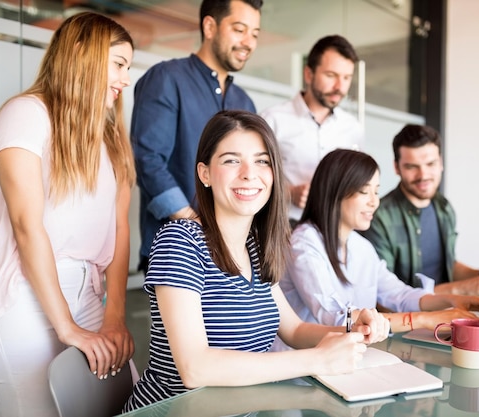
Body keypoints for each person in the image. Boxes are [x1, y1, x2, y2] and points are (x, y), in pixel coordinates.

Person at [123, 111, 390, 411]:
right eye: (231, 160)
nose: (249, 173)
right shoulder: (181, 241)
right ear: (205, 173)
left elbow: (295, 330)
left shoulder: (256, 248)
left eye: (262, 161)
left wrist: (352, 331)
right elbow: (195, 368)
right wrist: (317, 360)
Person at [0, 12, 136, 417]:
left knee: (123, 404)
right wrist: (66, 327)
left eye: (128, 68)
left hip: (88, 292)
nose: (125, 78)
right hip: (26, 297)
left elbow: (119, 227)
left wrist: (114, 317)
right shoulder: (26, 114)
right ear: (81, 53)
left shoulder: (110, 137)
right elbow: (28, 228)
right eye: (118, 63)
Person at [276, 149, 479, 340]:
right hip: (305, 372)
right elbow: (336, 317)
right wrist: (425, 319)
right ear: (334, 193)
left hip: (350, 360)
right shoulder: (304, 244)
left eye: (376, 191)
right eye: (364, 191)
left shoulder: (360, 246)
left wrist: (455, 301)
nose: (374, 202)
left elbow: (400, 295)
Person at [131, 0, 263, 273]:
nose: (248, 42)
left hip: (234, 252)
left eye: (255, 34)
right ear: (210, 26)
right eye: (240, 29)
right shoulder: (167, 78)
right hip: (177, 252)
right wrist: (193, 221)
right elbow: (147, 158)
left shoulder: (244, 102)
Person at [362, 124, 479, 301]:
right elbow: (385, 298)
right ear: (397, 168)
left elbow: (448, 265)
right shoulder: (378, 218)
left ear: (441, 163)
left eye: (430, 164)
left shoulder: (443, 207)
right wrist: (462, 290)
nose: (423, 175)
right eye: (412, 166)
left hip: (448, 311)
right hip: (412, 323)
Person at [260, 34, 364, 225]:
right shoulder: (272, 120)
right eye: (331, 75)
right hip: (284, 230)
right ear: (308, 74)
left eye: (347, 78)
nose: (340, 87)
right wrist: (289, 192)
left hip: (335, 229)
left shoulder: (352, 128)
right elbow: (254, 176)